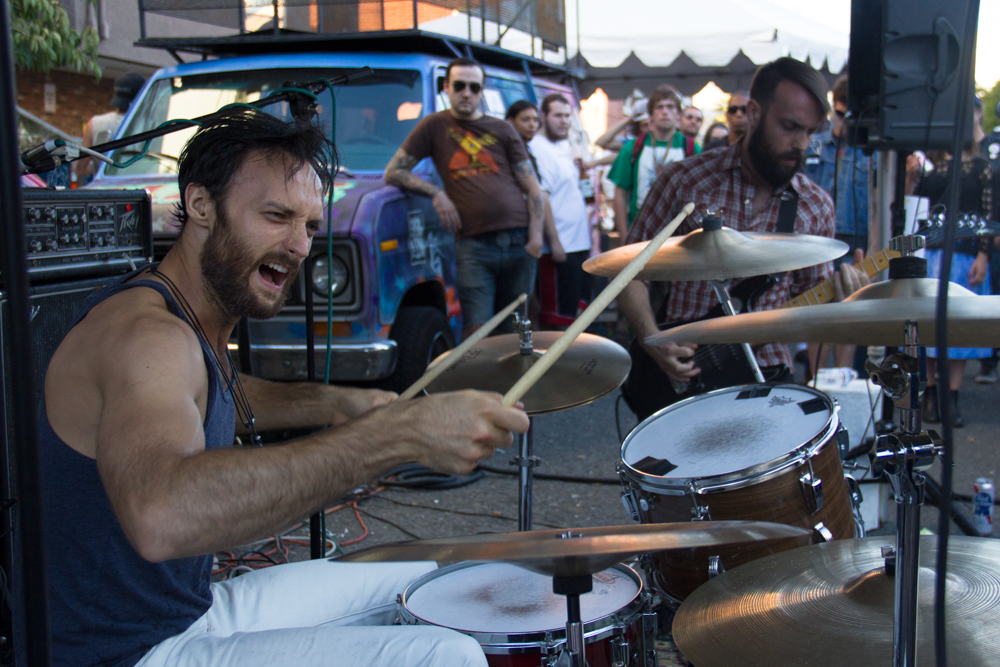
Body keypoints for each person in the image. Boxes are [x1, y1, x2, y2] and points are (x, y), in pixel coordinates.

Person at [31, 107, 530, 667]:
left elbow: (210, 391)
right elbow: (159, 515)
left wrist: (336, 401)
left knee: (428, 575)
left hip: (183, 612)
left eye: (311, 225)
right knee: (444, 653)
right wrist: (394, 436)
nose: (298, 246)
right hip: (126, 652)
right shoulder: (150, 337)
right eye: (275, 215)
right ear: (200, 204)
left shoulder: (183, 318)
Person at [617, 58, 866, 421]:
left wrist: (845, 302)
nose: (801, 144)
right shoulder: (685, 181)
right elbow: (629, 271)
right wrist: (652, 338)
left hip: (767, 379)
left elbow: (812, 308)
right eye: (790, 127)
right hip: (680, 370)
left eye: (810, 133)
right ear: (752, 112)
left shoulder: (815, 206)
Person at [385, 57, 545, 339]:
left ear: (481, 91)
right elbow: (394, 171)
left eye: (474, 87)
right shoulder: (433, 126)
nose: (466, 93)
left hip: (521, 243)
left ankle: (512, 385)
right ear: (446, 87)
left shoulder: (503, 129)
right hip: (474, 247)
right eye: (459, 86)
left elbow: (533, 188)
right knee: (477, 330)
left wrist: (535, 240)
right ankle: (480, 385)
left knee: (516, 328)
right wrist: (436, 192)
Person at [906, 109, 996, 427]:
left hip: (966, 256)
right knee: (930, 326)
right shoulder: (932, 166)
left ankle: (951, 397)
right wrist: (910, 177)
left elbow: (989, 214)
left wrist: (983, 256)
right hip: (934, 254)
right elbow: (912, 207)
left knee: (958, 330)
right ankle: (930, 393)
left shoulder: (984, 169)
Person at [803, 74, 873, 370]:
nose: (844, 123)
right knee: (817, 314)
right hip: (815, 242)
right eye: (840, 115)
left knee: (848, 313)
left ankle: (843, 378)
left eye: (850, 116)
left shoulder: (871, 151)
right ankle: (813, 380)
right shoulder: (815, 145)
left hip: (855, 239)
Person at [529, 94, 593, 318]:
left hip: (576, 245)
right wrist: (555, 242)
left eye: (567, 116)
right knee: (557, 319)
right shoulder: (538, 148)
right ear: (543, 117)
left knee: (575, 314)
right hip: (558, 250)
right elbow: (541, 196)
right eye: (558, 115)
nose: (564, 121)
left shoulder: (559, 146)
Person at [607, 87, 700, 239]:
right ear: (650, 115)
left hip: (678, 234)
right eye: (659, 107)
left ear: (678, 114)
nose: (665, 112)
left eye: (670, 107)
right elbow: (620, 194)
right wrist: (624, 236)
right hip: (640, 230)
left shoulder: (691, 148)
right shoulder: (633, 147)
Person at [504, 100, 566, 263]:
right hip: (515, 234)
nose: (532, 125)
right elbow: (540, 194)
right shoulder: (508, 149)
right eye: (525, 120)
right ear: (510, 121)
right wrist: (550, 240)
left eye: (535, 120)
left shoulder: (527, 149)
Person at [74, 71, 146, 184]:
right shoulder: (152, 125)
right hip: (138, 191)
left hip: (105, 194)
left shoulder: (95, 123)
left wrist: (101, 166)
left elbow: (79, 169)